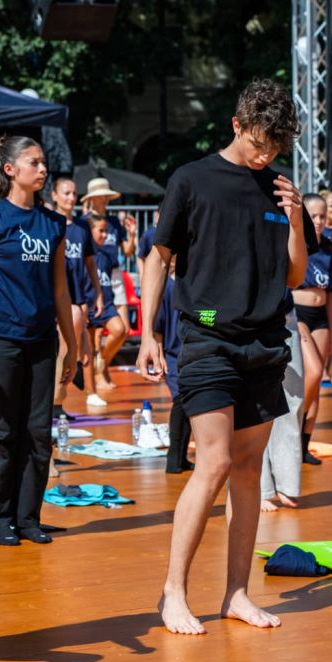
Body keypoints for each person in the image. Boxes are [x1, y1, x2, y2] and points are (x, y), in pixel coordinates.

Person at [138, 79, 310, 634]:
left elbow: (295, 275)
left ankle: (236, 593)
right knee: (212, 462)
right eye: (259, 143)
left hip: (264, 343)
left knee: (247, 470)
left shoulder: (279, 189)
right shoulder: (191, 180)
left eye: (275, 148)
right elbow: (158, 258)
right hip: (207, 336)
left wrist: (296, 221)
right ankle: (173, 592)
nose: (265, 156)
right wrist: (148, 332)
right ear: (237, 125)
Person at [0, 135, 77, 546]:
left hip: (42, 338)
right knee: (2, 430)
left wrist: (72, 346)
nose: (43, 169)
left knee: (38, 431)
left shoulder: (53, 224)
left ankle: (29, 517)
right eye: (34, 162)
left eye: (44, 163)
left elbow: (61, 291)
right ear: (10, 169)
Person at [49, 176, 104, 412]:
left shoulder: (82, 228)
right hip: (51, 297)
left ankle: (62, 401)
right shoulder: (48, 223)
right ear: (54, 196)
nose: (71, 198)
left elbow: (90, 264)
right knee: (57, 350)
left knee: (78, 349)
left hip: (76, 296)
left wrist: (98, 294)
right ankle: (53, 402)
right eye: (66, 193)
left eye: (74, 193)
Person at [292, 193, 332, 465]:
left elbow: (329, 296)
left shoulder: (329, 247)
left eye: (322, 216)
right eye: (313, 215)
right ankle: (291, 423)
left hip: (321, 316)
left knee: (315, 383)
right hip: (298, 314)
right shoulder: (297, 242)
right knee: (314, 372)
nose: (318, 220)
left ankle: (303, 445)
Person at [260, 290, 304, 511]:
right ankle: (260, 489)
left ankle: (287, 484)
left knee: (292, 402)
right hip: (245, 318)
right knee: (254, 408)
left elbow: (295, 279)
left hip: (284, 314)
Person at [152, 257, 193, 473]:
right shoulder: (167, 288)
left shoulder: (193, 284)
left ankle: (182, 456)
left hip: (193, 352)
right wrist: (159, 356)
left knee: (188, 404)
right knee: (180, 401)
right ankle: (173, 457)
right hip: (173, 355)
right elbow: (158, 328)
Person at [84, 213, 127, 392]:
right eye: (101, 231)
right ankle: (92, 389)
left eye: (106, 231)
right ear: (90, 231)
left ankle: (102, 359)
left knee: (120, 330)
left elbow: (110, 278)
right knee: (88, 347)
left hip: (107, 302)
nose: (105, 235)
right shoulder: (83, 254)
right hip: (89, 303)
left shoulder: (109, 253)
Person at [82, 178, 132, 331]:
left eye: (106, 195)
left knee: (124, 329)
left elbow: (127, 251)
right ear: (92, 198)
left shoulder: (114, 221)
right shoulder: (84, 221)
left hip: (114, 273)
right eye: (100, 195)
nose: (105, 199)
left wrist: (132, 234)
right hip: (93, 273)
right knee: (94, 329)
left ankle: (103, 350)